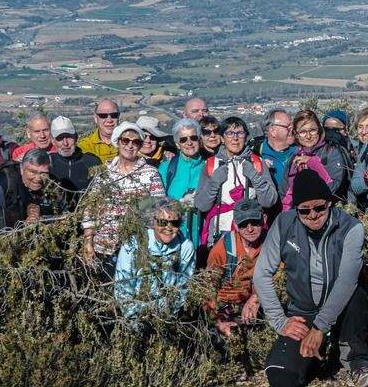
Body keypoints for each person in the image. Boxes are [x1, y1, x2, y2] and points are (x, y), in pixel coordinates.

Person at [255, 169, 368, 387]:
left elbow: (346, 281)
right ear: (296, 210)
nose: (313, 215)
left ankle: (358, 362)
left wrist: (320, 327)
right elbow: (262, 274)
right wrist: (281, 322)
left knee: (357, 294)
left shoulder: (351, 227)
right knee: (282, 379)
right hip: (303, 311)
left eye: (319, 207)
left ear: (329, 203)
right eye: (305, 210)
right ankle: (318, 359)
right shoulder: (284, 224)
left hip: (341, 306)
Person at [79, 120, 168, 275]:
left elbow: (159, 209)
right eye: (125, 140)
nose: (130, 145)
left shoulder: (151, 173)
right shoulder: (104, 173)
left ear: (140, 146)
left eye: (135, 142)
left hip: (137, 247)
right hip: (104, 246)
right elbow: (91, 209)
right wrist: (88, 242)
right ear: (117, 142)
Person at [192, 116, 278, 243]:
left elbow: (269, 201)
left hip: (252, 232)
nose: (235, 138)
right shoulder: (211, 165)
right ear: (222, 138)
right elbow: (201, 205)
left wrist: (254, 176)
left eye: (240, 133)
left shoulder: (257, 163)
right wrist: (214, 182)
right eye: (230, 133)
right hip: (220, 233)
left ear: (246, 136)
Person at [114, 198, 198, 320]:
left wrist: (167, 316)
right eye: (162, 222)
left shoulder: (185, 247)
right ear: (152, 222)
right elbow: (122, 287)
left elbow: (184, 286)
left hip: (168, 316)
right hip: (134, 315)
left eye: (174, 223)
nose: (168, 228)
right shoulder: (133, 245)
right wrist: (134, 320)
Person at [206, 197, 269, 337]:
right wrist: (219, 323)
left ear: (264, 219)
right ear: (235, 225)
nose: (250, 229)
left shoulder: (272, 245)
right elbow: (207, 292)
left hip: (259, 305)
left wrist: (256, 298)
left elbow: (279, 279)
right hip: (224, 310)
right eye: (243, 224)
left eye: (255, 223)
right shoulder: (222, 250)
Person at [159, 117, 212, 246]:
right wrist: (179, 204)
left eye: (193, 138)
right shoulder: (166, 168)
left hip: (203, 236)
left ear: (199, 140)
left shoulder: (210, 165)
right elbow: (157, 204)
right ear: (177, 144)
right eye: (183, 139)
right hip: (173, 236)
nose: (189, 142)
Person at [0, 146, 67, 228]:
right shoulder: (4, 182)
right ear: (22, 169)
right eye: (33, 172)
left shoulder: (53, 185)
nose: (38, 178)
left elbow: (63, 216)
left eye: (43, 173)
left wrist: (43, 219)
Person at [286, 109, 351, 192]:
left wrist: (312, 163)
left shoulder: (331, 152)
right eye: (303, 132)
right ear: (296, 134)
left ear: (319, 130)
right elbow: (285, 190)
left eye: (312, 130)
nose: (308, 136)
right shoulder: (294, 155)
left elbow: (333, 187)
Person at [46, 114, 101, 202]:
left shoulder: (92, 162)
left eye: (69, 137)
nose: (65, 143)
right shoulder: (48, 163)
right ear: (53, 141)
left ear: (76, 137)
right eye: (60, 138)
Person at [260, 110, 298, 198]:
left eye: (293, 126)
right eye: (288, 127)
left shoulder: (302, 151)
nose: (292, 130)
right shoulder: (258, 155)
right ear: (272, 131)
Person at [79, 98, 123, 164]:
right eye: (103, 116)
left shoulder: (130, 142)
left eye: (114, 115)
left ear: (118, 117)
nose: (109, 120)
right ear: (96, 118)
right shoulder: (84, 146)